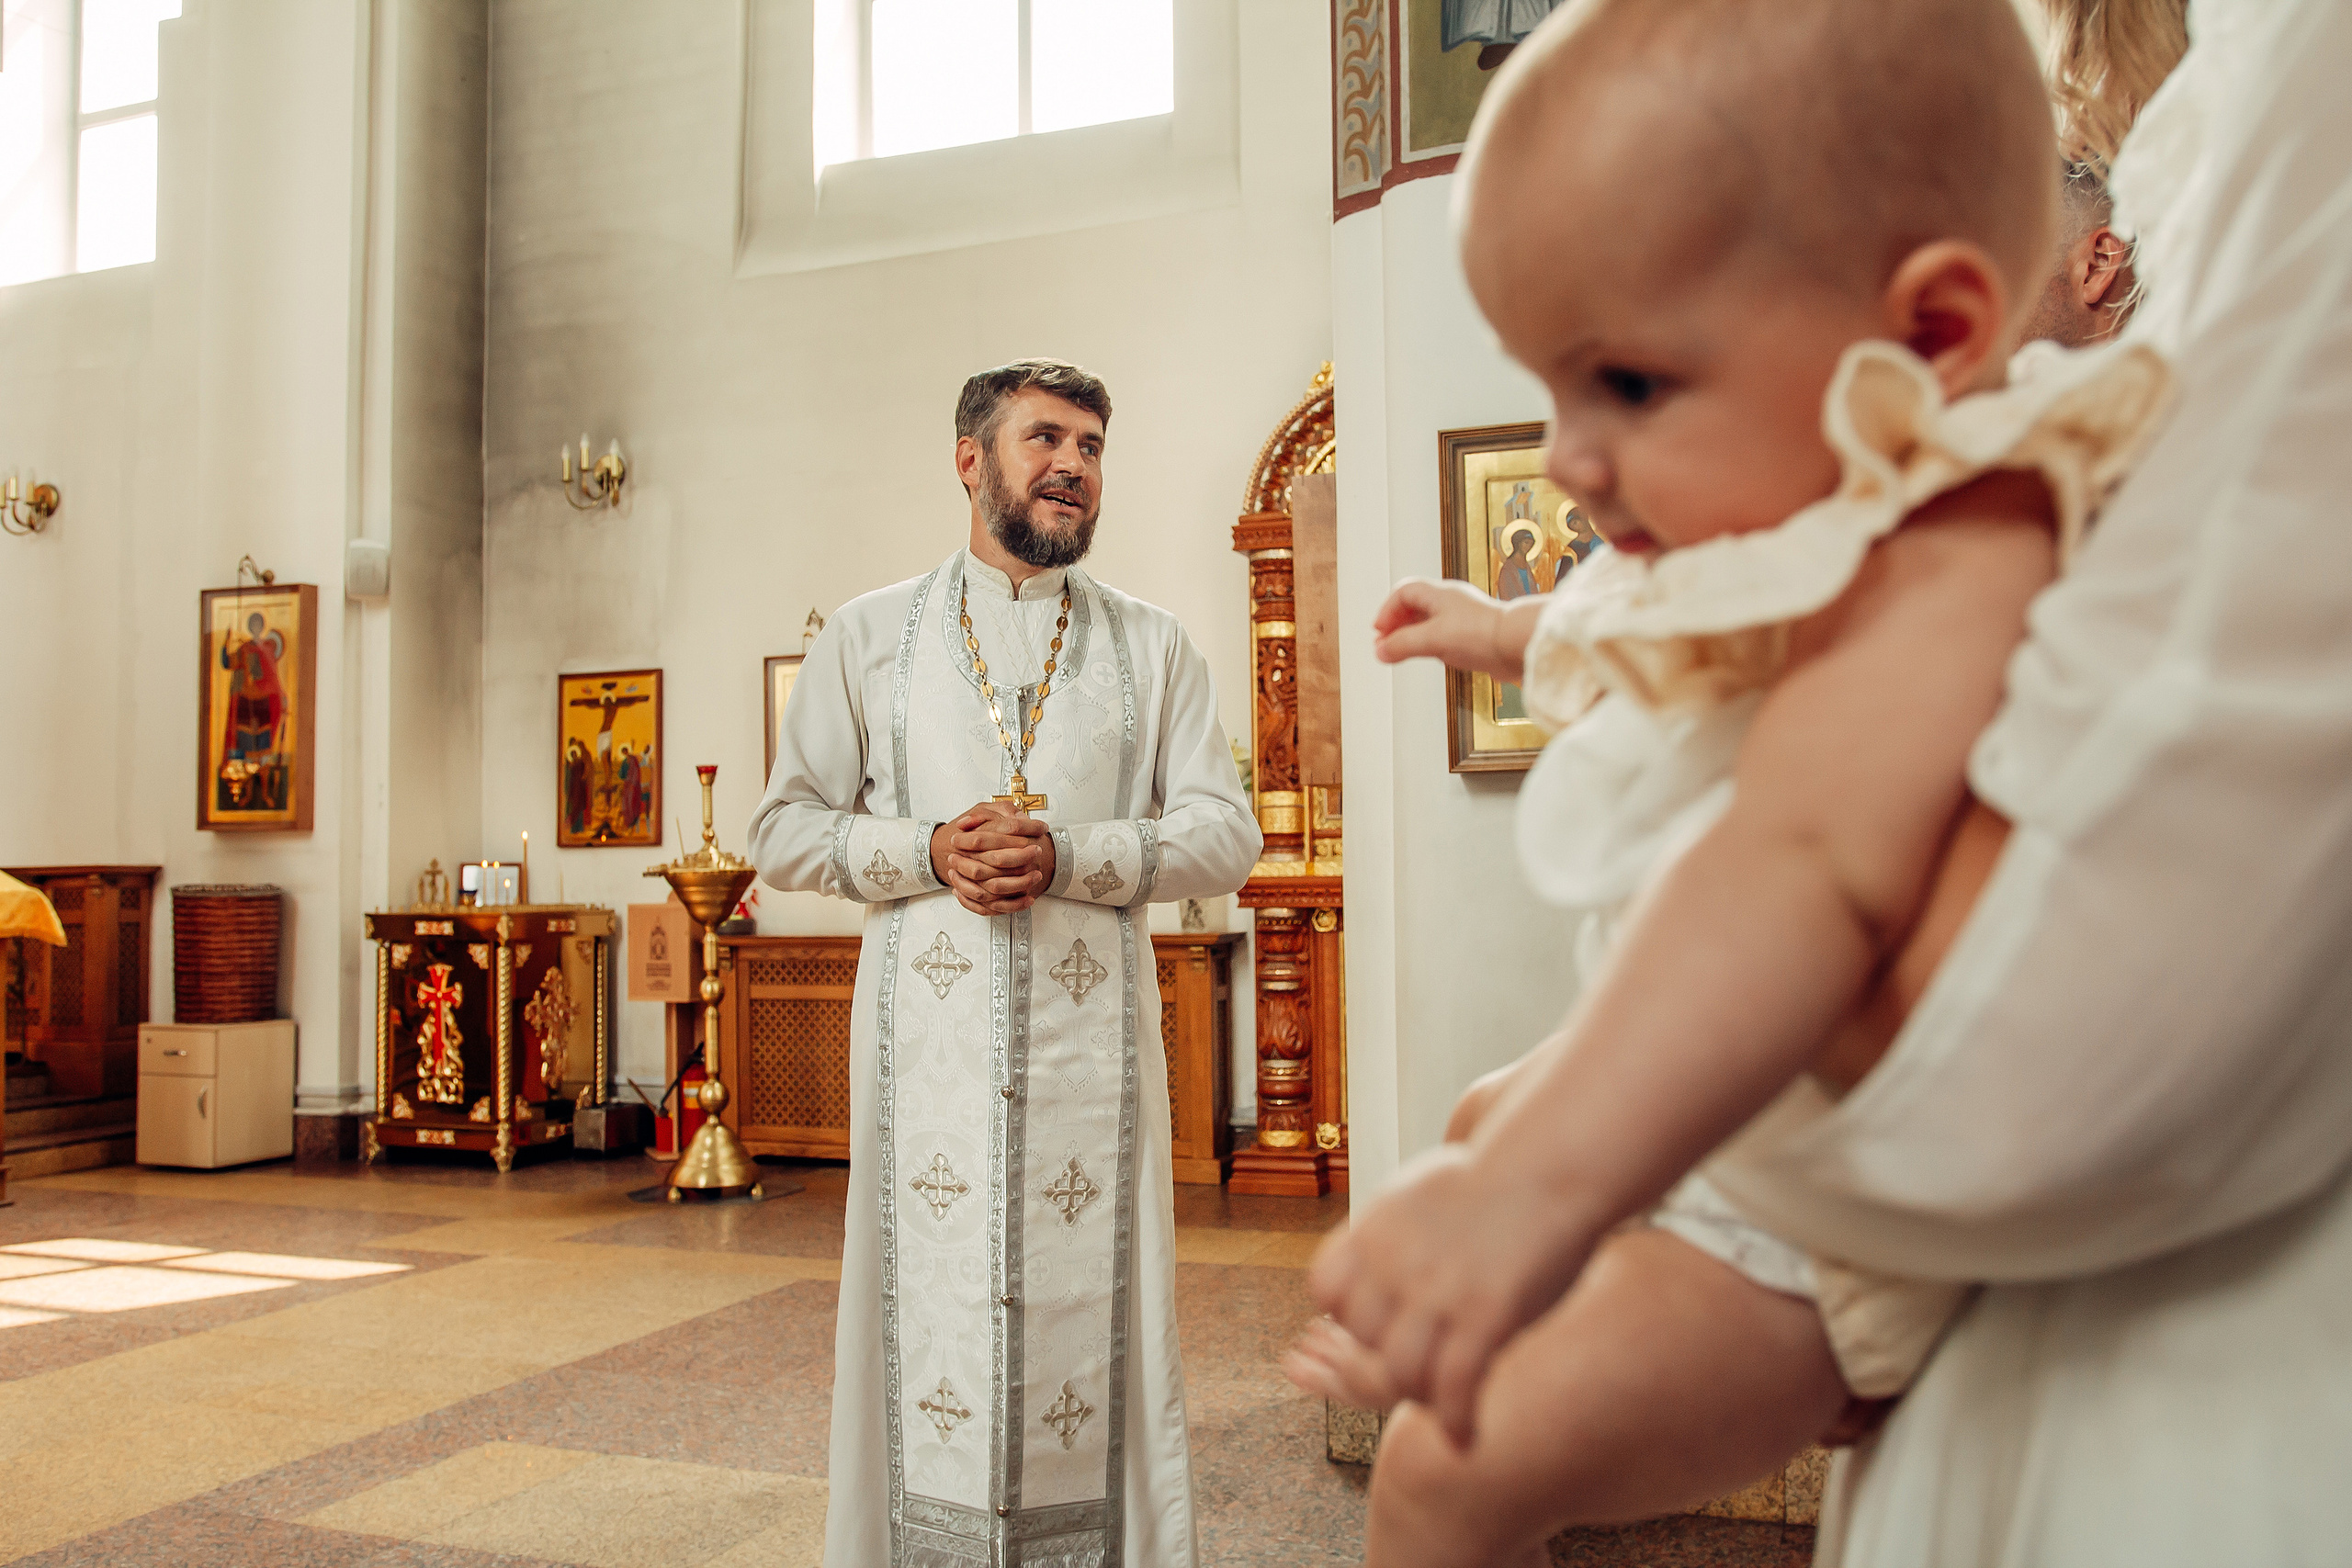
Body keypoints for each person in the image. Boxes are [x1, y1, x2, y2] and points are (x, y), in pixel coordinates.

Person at [1285, 0, 2173, 1561]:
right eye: (1552, 389)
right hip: (1746, 1110)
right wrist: (1496, 629)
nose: (1568, 459)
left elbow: (1805, 862)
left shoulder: (1969, 536)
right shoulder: (1817, 515)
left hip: (1811, 1218)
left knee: (1441, 1470)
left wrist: (1531, 1201)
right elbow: (1659, 621)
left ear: (1933, 333)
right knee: (1483, 1113)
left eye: (1627, 385)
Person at [749, 358, 1260, 1568]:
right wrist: (929, 849)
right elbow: (780, 831)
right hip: (924, 1079)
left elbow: (1226, 832)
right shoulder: (870, 634)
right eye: (1046, 439)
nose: (1073, 466)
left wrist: (1072, 853)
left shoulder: (1153, 645)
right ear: (970, 459)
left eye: (1091, 446)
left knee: (1102, 1321)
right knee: (921, 1321)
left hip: (1095, 1072)